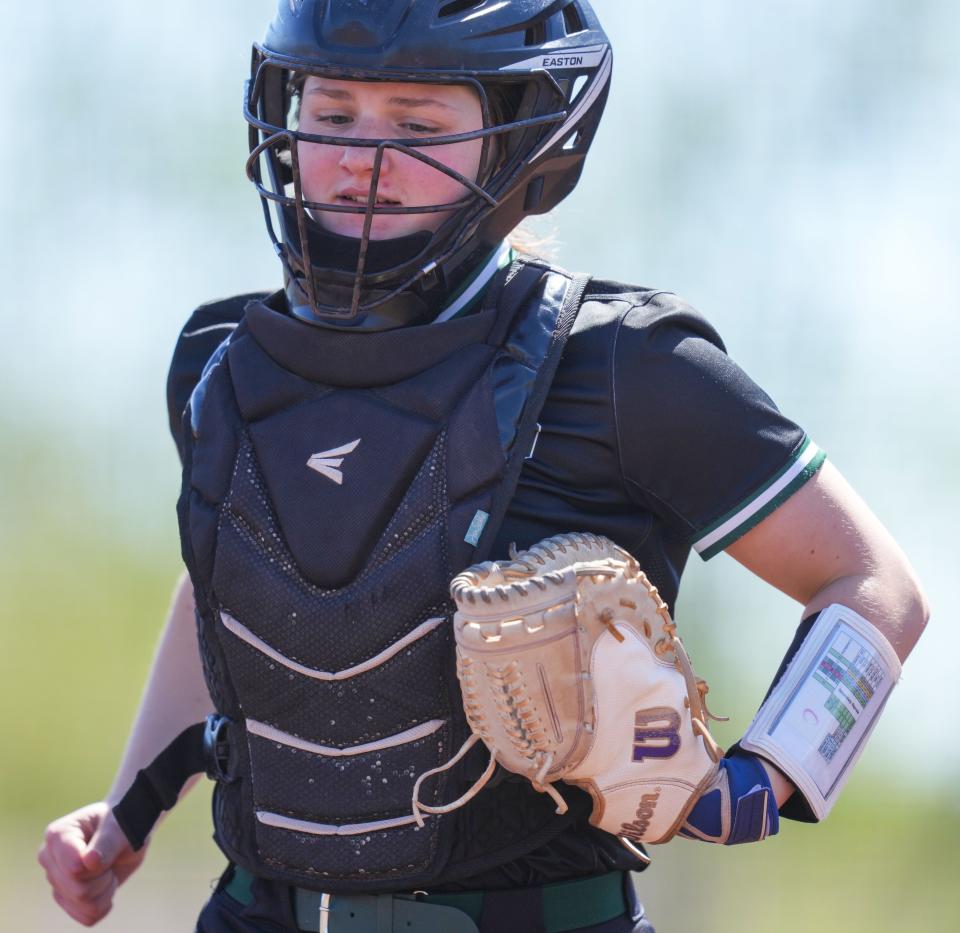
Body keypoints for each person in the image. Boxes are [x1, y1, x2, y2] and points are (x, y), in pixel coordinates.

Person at [38, 2, 928, 931]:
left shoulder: (628, 364)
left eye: (416, 125)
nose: (359, 157)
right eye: (332, 113)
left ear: (519, 142)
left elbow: (874, 585)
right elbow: (222, 580)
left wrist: (763, 780)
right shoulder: (219, 359)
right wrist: (127, 809)